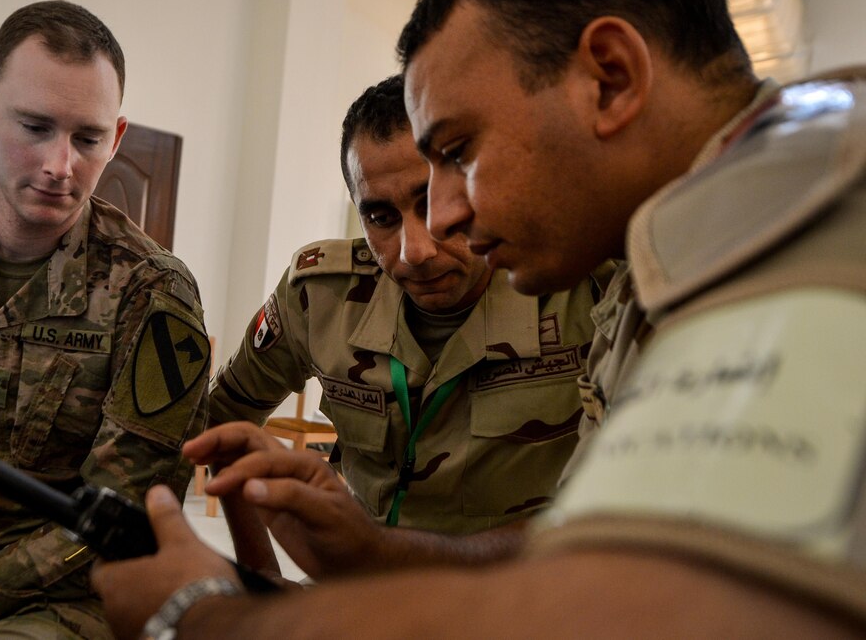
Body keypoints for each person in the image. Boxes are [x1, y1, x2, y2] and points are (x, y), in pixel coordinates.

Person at [90, 0, 866, 637]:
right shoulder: (671, 259)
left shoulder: (813, 201)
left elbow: (634, 613)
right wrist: (357, 559)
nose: (446, 218)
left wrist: (205, 616)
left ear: (610, 79)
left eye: (459, 152)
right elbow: (587, 563)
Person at [206, 74, 602, 578]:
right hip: (365, 595)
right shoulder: (320, 296)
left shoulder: (582, 295)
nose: (414, 251)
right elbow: (222, 422)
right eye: (380, 216)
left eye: (433, 204)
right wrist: (259, 574)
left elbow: (631, 510)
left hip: (519, 600)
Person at [0, 0, 209, 638]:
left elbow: (113, 517)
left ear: (116, 138)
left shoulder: (153, 293)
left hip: (61, 589)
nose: (61, 166)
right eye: (35, 127)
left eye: (87, 139)